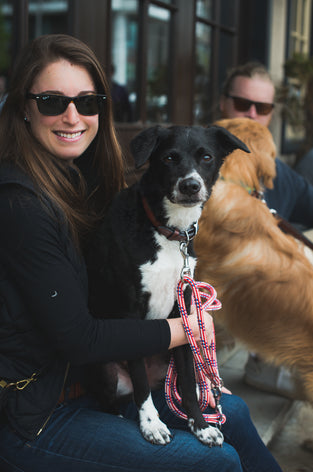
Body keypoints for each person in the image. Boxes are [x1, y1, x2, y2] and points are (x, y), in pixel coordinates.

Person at [0, 34, 282, 472]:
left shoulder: (81, 178)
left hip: (85, 381)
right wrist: (186, 330)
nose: (72, 116)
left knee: (238, 415)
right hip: (37, 413)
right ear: (24, 106)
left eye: (87, 102)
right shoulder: (20, 206)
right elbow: (80, 337)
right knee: (217, 462)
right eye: (52, 101)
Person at [219, 61, 313, 398]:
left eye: (263, 108)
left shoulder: (279, 174)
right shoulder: (194, 158)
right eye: (243, 104)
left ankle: (265, 366)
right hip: (203, 304)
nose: (252, 115)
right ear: (224, 103)